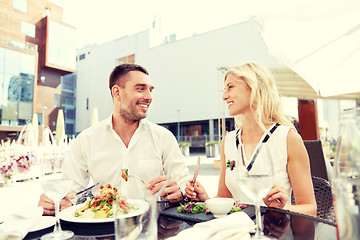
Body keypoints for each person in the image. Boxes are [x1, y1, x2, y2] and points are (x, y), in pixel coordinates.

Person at [39, 63, 192, 215]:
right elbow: (70, 192)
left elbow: (184, 185)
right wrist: (54, 203)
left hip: (154, 227)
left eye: (150, 90)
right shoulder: (86, 140)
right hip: (103, 230)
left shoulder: (163, 137)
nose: (149, 97)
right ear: (117, 92)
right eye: (140, 89)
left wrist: (180, 193)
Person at [185, 62, 317, 216]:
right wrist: (205, 199)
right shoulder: (228, 142)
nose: (224, 96)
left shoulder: (287, 138)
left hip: (274, 233)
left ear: (254, 88)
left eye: (230, 87)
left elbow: (310, 209)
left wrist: (281, 208)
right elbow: (225, 199)